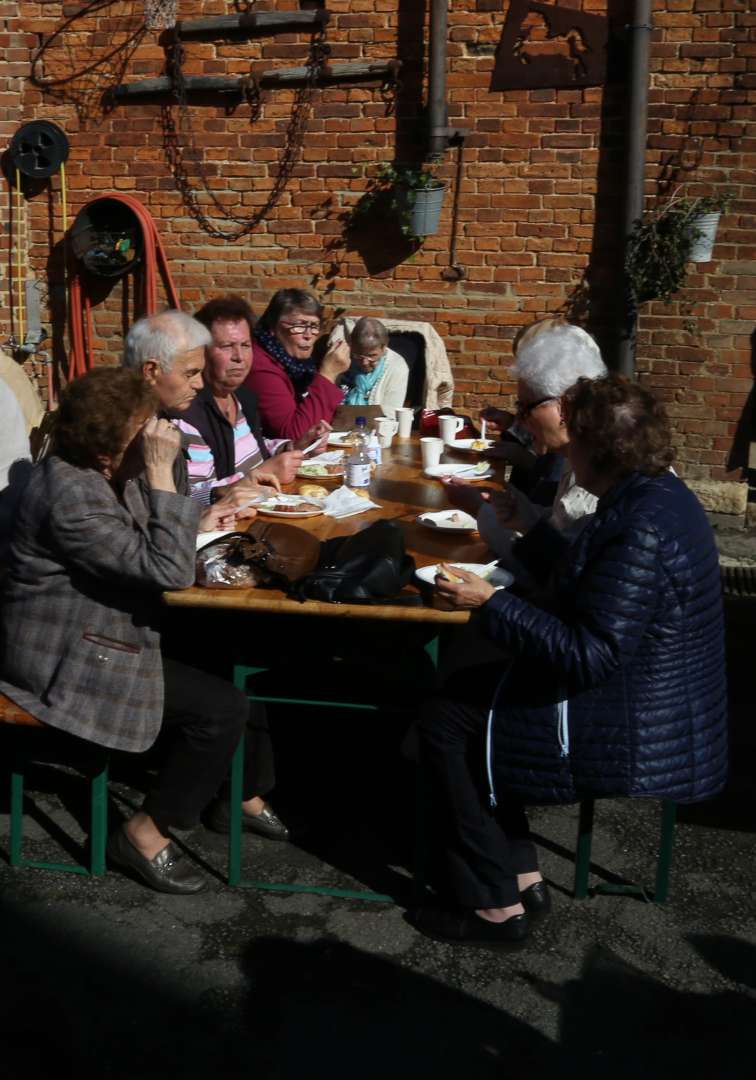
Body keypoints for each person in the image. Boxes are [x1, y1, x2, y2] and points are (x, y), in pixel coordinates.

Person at [412, 375, 728, 946]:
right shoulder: (648, 495)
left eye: (571, 440)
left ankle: (494, 908)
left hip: (635, 719)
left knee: (448, 718)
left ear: (597, 449)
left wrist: (491, 602)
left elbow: (591, 653)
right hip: (645, 691)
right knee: (467, 689)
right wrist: (528, 527)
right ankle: (520, 869)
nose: (561, 449)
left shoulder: (640, 524)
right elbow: (592, 582)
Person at [0, 368, 283, 893]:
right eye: (145, 425)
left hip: (108, 625)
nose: (160, 433)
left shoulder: (105, 474)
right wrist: (158, 472)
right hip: (67, 655)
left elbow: (145, 538)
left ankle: (242, 793)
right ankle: (143, 833)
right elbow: (167, 569)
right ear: (108, 448)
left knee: (234, 652)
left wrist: (199, 519)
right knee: (221, 708)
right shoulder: (70, 493)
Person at [122, 309, 289, 842]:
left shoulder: (160, 427)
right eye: (192, 373)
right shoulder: (133, 439)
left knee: (250, 645)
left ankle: (242, 789)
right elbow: (148, 546)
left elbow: (165, 517)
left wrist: (203, 513)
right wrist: (199, 508)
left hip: (161, 583)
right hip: (130, 615)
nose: (200, 385)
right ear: (152, 372)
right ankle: (219, 798)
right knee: (234, 662)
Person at [445, 322, 607, 568]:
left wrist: (478, 508)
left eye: (526, 407)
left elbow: (550, 567)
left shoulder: (595, 472)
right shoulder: (581, 452)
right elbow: (555, 525)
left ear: (564, 406)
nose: (519, 419)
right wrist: (514, 511)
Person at [176, 295, 330, 506]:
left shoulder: (242, 398)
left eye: (246, 345)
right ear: (202, 352)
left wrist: (293, 446)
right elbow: (190, 496)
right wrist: (261, 473)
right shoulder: (189, 414)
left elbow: (252, 450)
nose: (239, 356)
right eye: (226, 346)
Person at [244, 288, 351, 440]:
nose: (308, 335)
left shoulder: (297, 364)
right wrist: (328, 374)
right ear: (273, 328)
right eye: (299, 325)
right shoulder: (261, 366)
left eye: (314, 326)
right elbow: (295, 435)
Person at [342, 317, 409, 414]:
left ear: (384, 347)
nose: (365, 362)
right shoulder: (342, 358)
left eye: (372, 356)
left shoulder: (397, 367)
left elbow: (391, 412)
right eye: (359, 355)